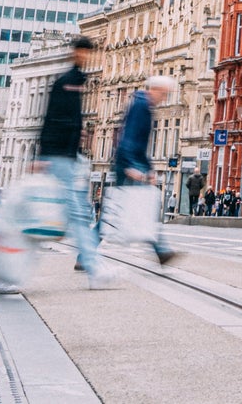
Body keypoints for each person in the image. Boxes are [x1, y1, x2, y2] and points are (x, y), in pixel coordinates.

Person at [33, 36, 109, 284]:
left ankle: (90, 264)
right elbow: (52, 118)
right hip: (59, 157)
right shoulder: (67, 82)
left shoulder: (76, 81)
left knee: (65, 214)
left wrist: (80, 134)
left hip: (66, 156)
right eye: (85, 53)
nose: (88, 58)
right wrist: (44, 154)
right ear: (77, 52)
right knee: (78, 215)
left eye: (89, 54)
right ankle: (93, 267)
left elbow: (69, 121)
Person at [111, 76, 179, 265]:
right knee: (121, 211)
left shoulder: (145, 107)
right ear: (155, 89)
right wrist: (131, 167)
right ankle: (161, 250)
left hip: (133, 162)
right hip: (128, 164)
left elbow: (141, 144)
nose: (164, 99)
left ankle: (161, 251)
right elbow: (129, 138)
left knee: (133, 209)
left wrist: (148, 169)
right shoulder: (141, 107)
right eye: (163, 94)